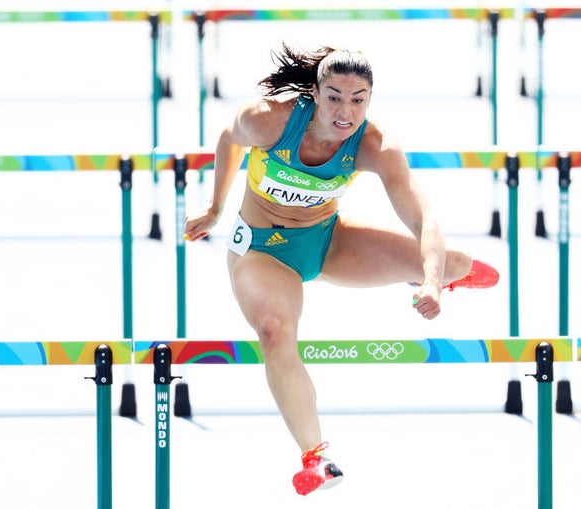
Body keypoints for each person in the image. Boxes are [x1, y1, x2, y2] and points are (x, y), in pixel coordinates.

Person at [184, 43, 499, 496]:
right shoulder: (269, 119)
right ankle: (316, 458)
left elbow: (422, 218)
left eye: (358, 99)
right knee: (275, 330)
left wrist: (433, 282)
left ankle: (438, 274)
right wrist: (214, 208)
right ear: (314, 92)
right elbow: (229, 139)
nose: (345, 111)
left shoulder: (375, 145)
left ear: (370, 99)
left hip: (329, 241)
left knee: (451, 263)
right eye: (333, 97)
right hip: (262, 251)